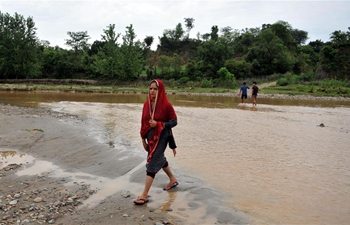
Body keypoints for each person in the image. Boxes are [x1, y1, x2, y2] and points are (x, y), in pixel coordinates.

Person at [134, 79, 178, 205]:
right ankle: (173, 179)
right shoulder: (146, 105)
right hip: (150, 138)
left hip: (162, 137)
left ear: (161, 90)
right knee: (159, 158)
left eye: (155, 89)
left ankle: (144, 194)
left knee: (152, 162)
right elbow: (143, 123)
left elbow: (174, 121)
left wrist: (159, 124)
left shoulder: (166, 106)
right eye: (150, 88)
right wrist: (143, 139)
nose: (152, 91)